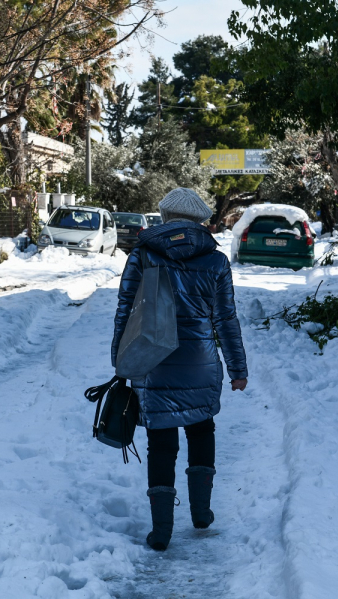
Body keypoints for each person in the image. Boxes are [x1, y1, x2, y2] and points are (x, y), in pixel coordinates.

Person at [111, 187, 248, 552]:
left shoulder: (144, 255)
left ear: (166, 218)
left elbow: (126, 310)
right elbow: (226, 320)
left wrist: (121, 361)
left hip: (153, 363)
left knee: (161, 441)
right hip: (201, 363)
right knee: (202, 429)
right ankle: (201, 513)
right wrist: (237, 368)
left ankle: (162, 531)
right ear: (201, 221)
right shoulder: (215, 261)